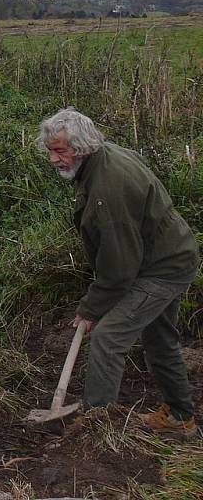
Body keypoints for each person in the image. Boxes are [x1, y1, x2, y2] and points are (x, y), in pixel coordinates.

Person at [39, 108, 199, 439]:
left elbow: (119, 266)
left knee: (109, 338)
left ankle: (97, 431)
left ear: (81, 147)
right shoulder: (103, 159)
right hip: (162, 256)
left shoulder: (108, 190)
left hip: (161, 268)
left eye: (60, 150)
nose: (53, 159)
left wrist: (92, 307)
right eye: (50, 150)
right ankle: (181, 418)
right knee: (159, 339)